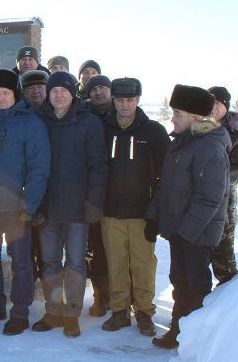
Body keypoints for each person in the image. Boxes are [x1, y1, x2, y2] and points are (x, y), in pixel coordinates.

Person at [146, 84, 230, 349]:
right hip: (179, 230)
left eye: (177, 112)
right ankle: (180, 332)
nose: (172, 118)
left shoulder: (209, 148)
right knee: (179, 282)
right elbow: (166, 186)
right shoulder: (181, 143)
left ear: (195, 117)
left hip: (197, 233)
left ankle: (197, 340)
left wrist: (186, 231)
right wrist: (153, 217)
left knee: (195, 286)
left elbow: (210, 198)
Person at [33, 71, 107, 338]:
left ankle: (72, 313)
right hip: (49, 207)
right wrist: (35, 206)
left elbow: (98, 166)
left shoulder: (88, 122)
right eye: (54, 91)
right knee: (50, 261)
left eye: (64, 90)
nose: (59, 95)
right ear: (49, 94)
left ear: (72, 93)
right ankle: (53, 311)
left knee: (75, 262)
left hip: (78, 207)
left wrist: (94, 202)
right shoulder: (40, 122)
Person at [0, 70, 50, 335]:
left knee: (21, 262)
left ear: (15, 95)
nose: (0, 97)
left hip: (17, 206)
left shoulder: (31, 124)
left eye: (5, 93)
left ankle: (19, 312)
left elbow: (39, 168)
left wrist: (28, 204)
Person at [99, 77, 169, 336]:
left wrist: (156, 213)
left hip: (142, 212)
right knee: (115, 262)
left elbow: (166, 175)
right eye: (120, 100)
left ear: (138, 100)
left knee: (143, 264)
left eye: (129, 100)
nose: (124, 105)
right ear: (114, 100)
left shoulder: (153, 132)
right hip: (111, 212)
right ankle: (119, 311)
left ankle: (144, 312)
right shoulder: (104, 129)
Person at [84, 73, 112, 317]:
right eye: (93, 89)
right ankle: (101, 296)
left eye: (103, 87)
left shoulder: (123, 116)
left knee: (118, 250)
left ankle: (126, 298)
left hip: (117, 194)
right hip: (90, 192)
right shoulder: (83, 116)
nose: (98, 92)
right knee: (96, 251)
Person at [207, 86, 238, 285]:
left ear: (225, 104)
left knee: (223, 248)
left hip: (225, 197)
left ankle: (225, 296)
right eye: (210, 102)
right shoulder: (202, 126)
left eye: (217, 103)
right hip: (202, 197)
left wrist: (218, 178)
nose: (213, 107)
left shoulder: (235, 129)